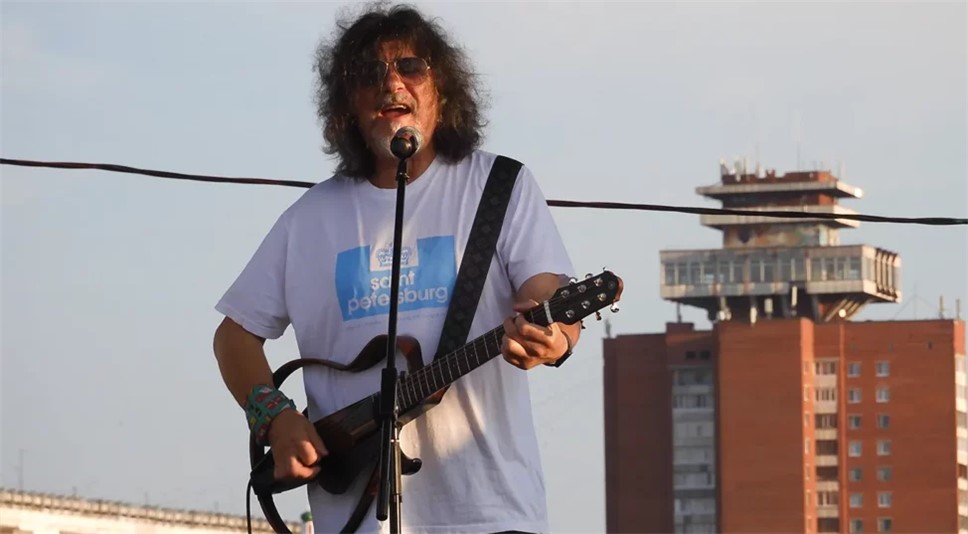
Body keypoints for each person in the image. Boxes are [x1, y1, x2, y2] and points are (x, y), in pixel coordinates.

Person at [211, 3, 580, 533]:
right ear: (348, 105)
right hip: (354, 520)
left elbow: (549, 294)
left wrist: (556, 336)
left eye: (411, 66)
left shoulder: (500, 187)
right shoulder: (308, 220)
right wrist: (275, 416)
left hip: (489, 514)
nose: (391, 83)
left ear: (442, 89)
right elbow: (234, 337)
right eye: (369, 73)